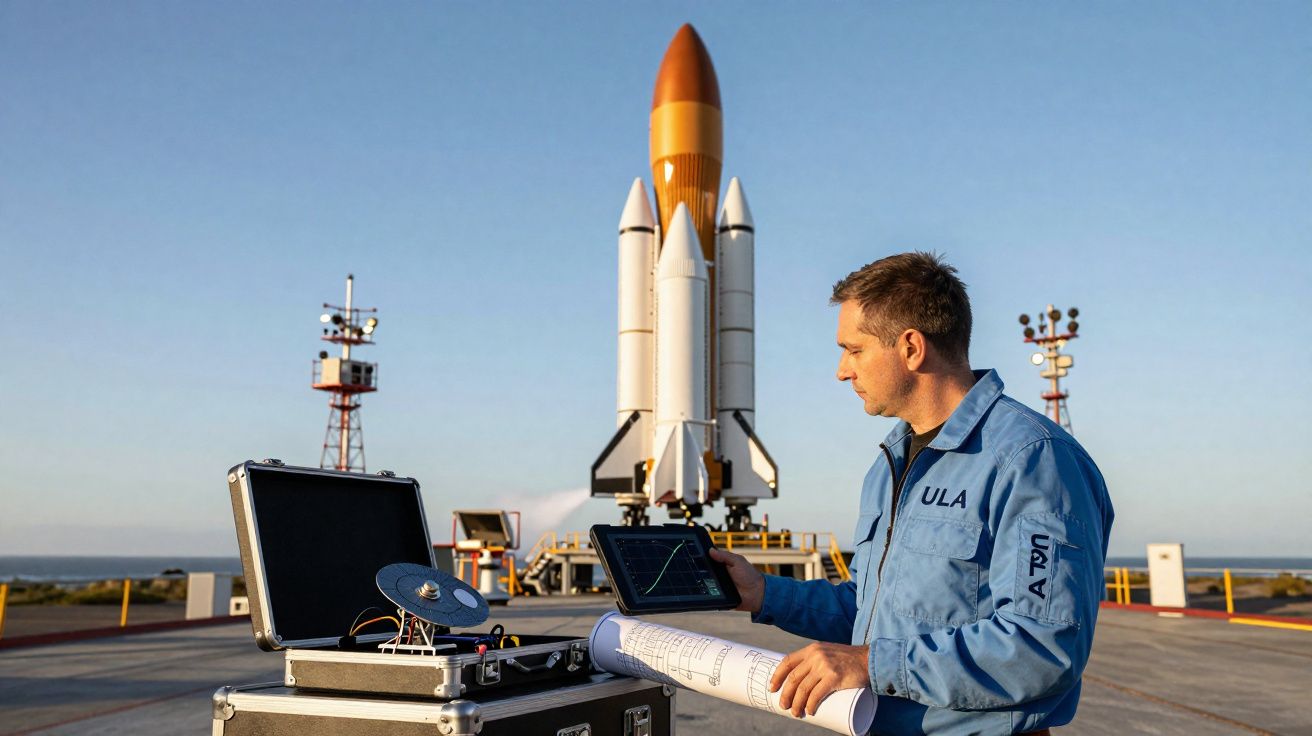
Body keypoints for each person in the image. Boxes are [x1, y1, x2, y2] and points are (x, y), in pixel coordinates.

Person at [709, 252, 1113, 735]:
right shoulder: (891, 465)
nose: (842, 370)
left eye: (854, 349)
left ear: (912, 348)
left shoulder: (1032, 460)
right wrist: (764, 594)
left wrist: (871, 664)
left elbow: (1042, 646)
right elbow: (870, 613)